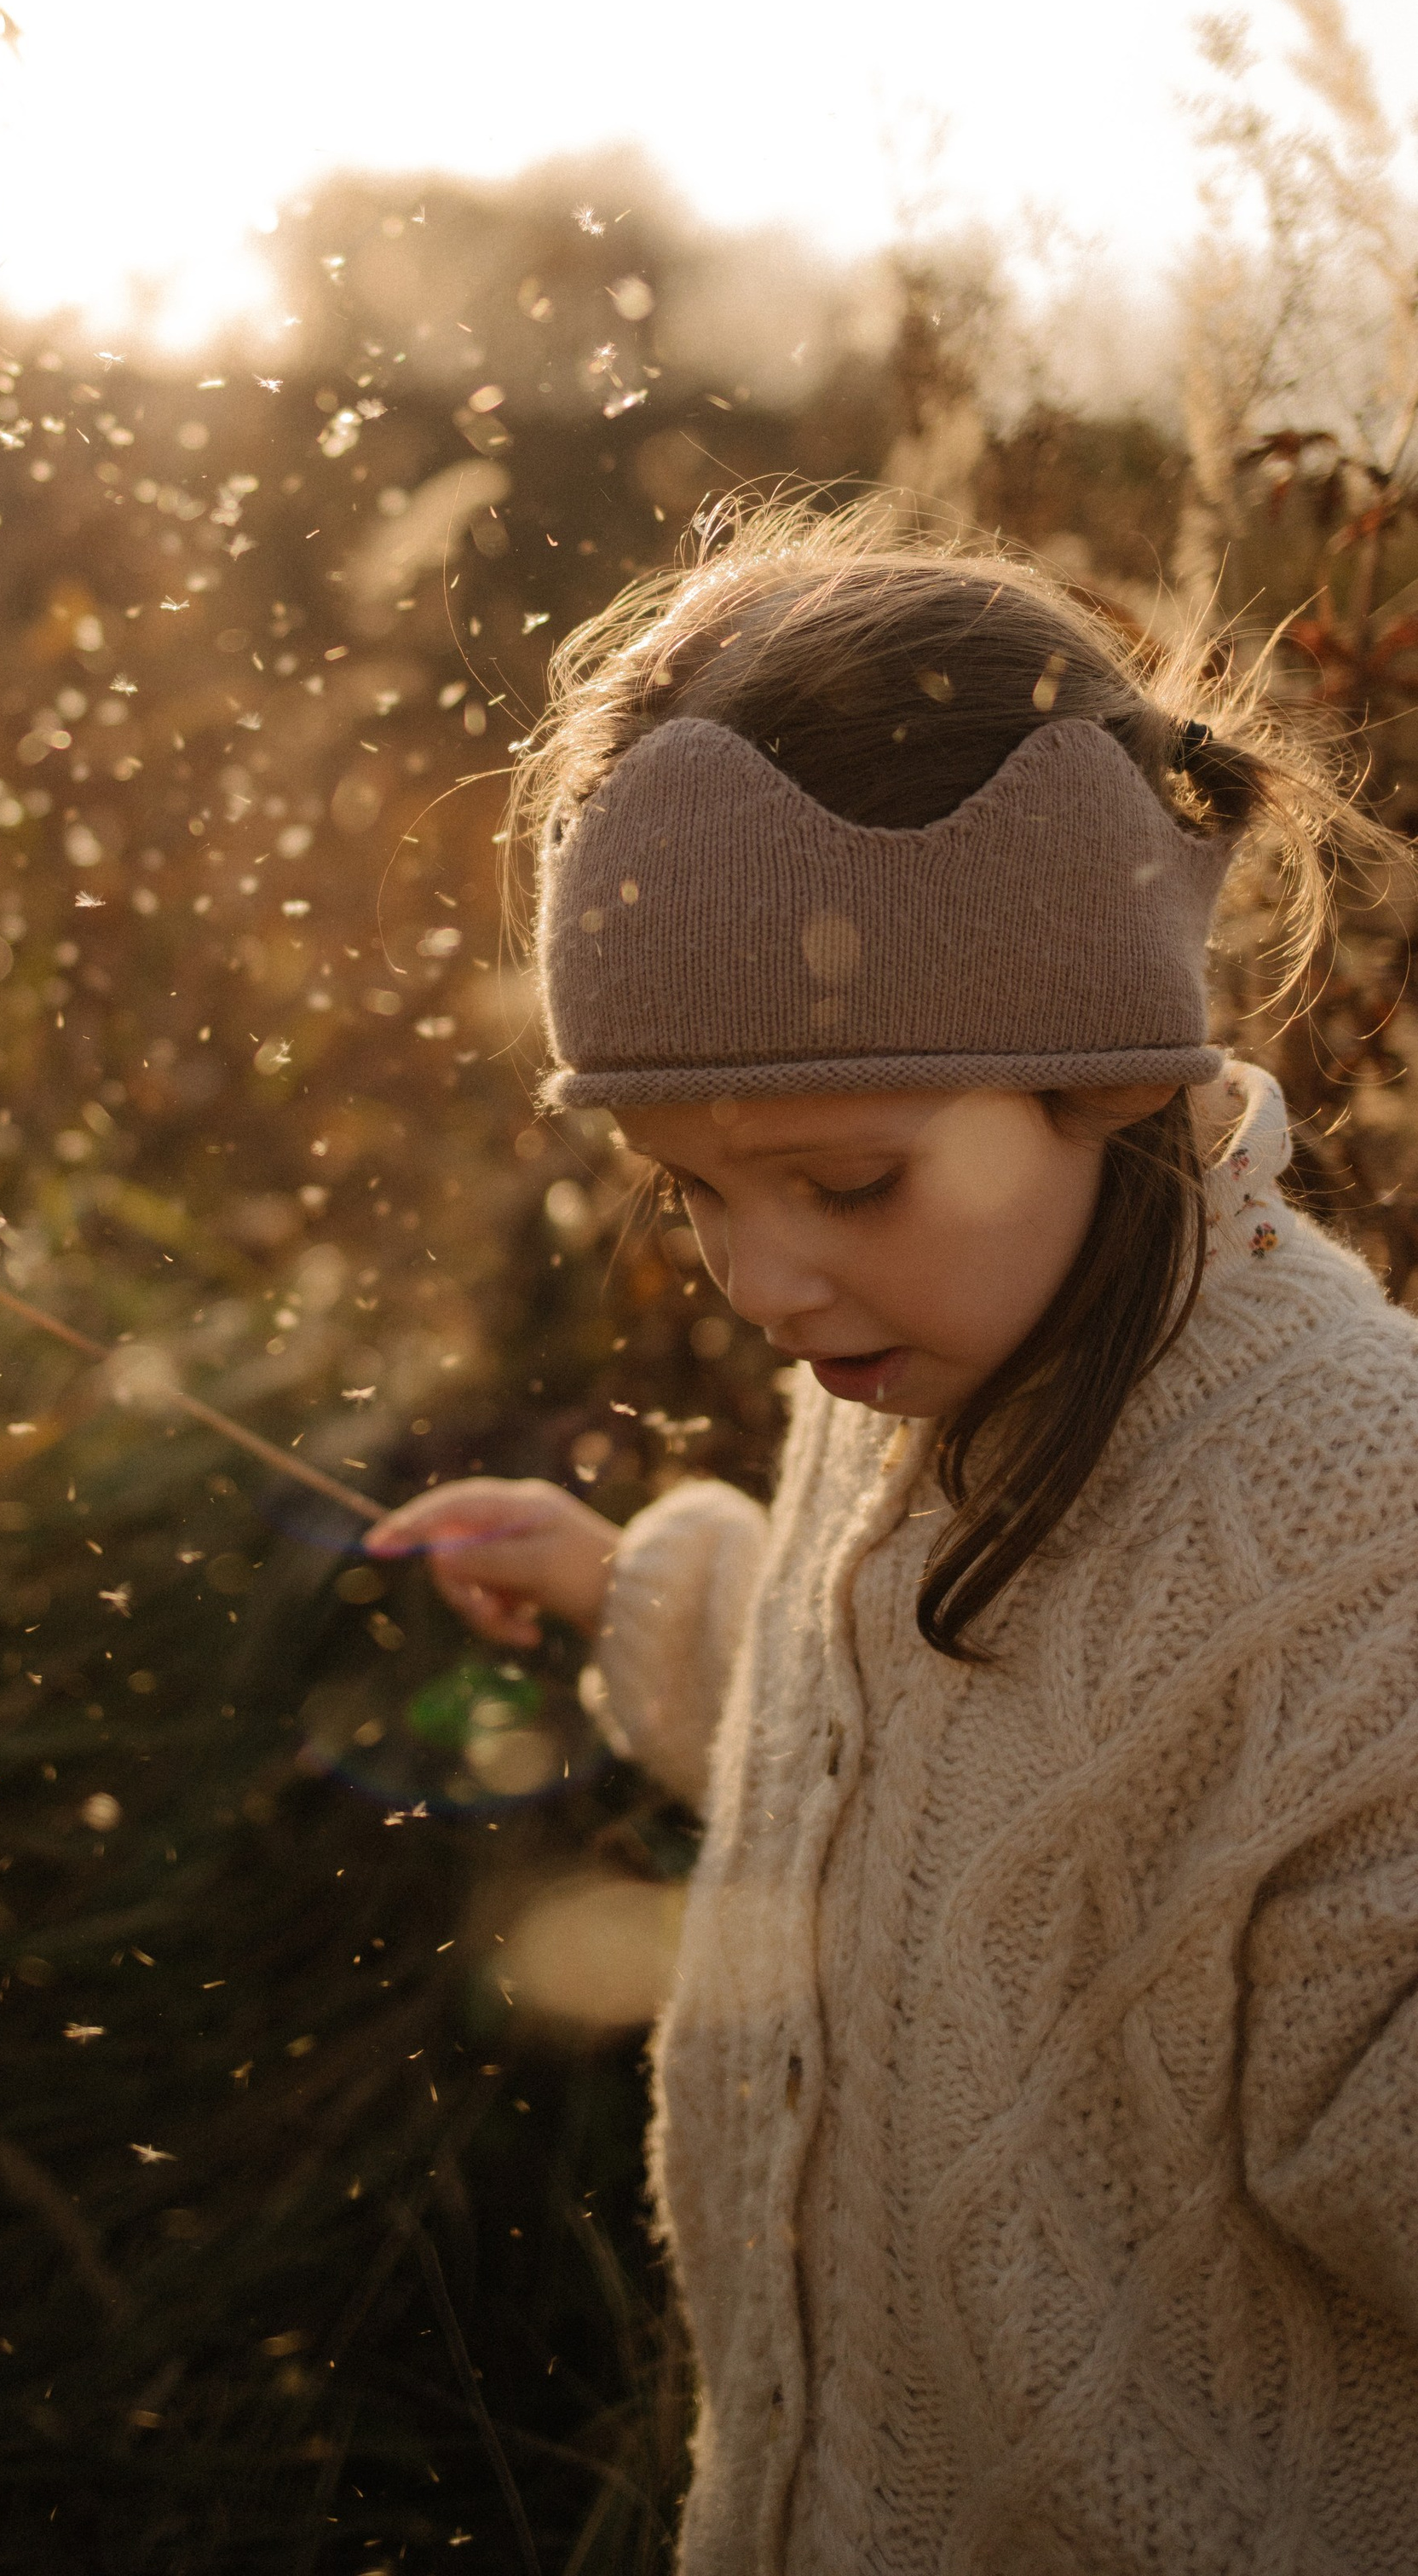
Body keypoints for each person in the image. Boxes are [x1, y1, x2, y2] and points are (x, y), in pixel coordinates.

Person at [365, 496, 1418, 2576]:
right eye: (693, 1194)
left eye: (837, 1182)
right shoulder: (924, 1363)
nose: (759, 1279)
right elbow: (951, 1764)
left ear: (1101, 1075)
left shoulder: (1349, 1524)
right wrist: (633, 1593)